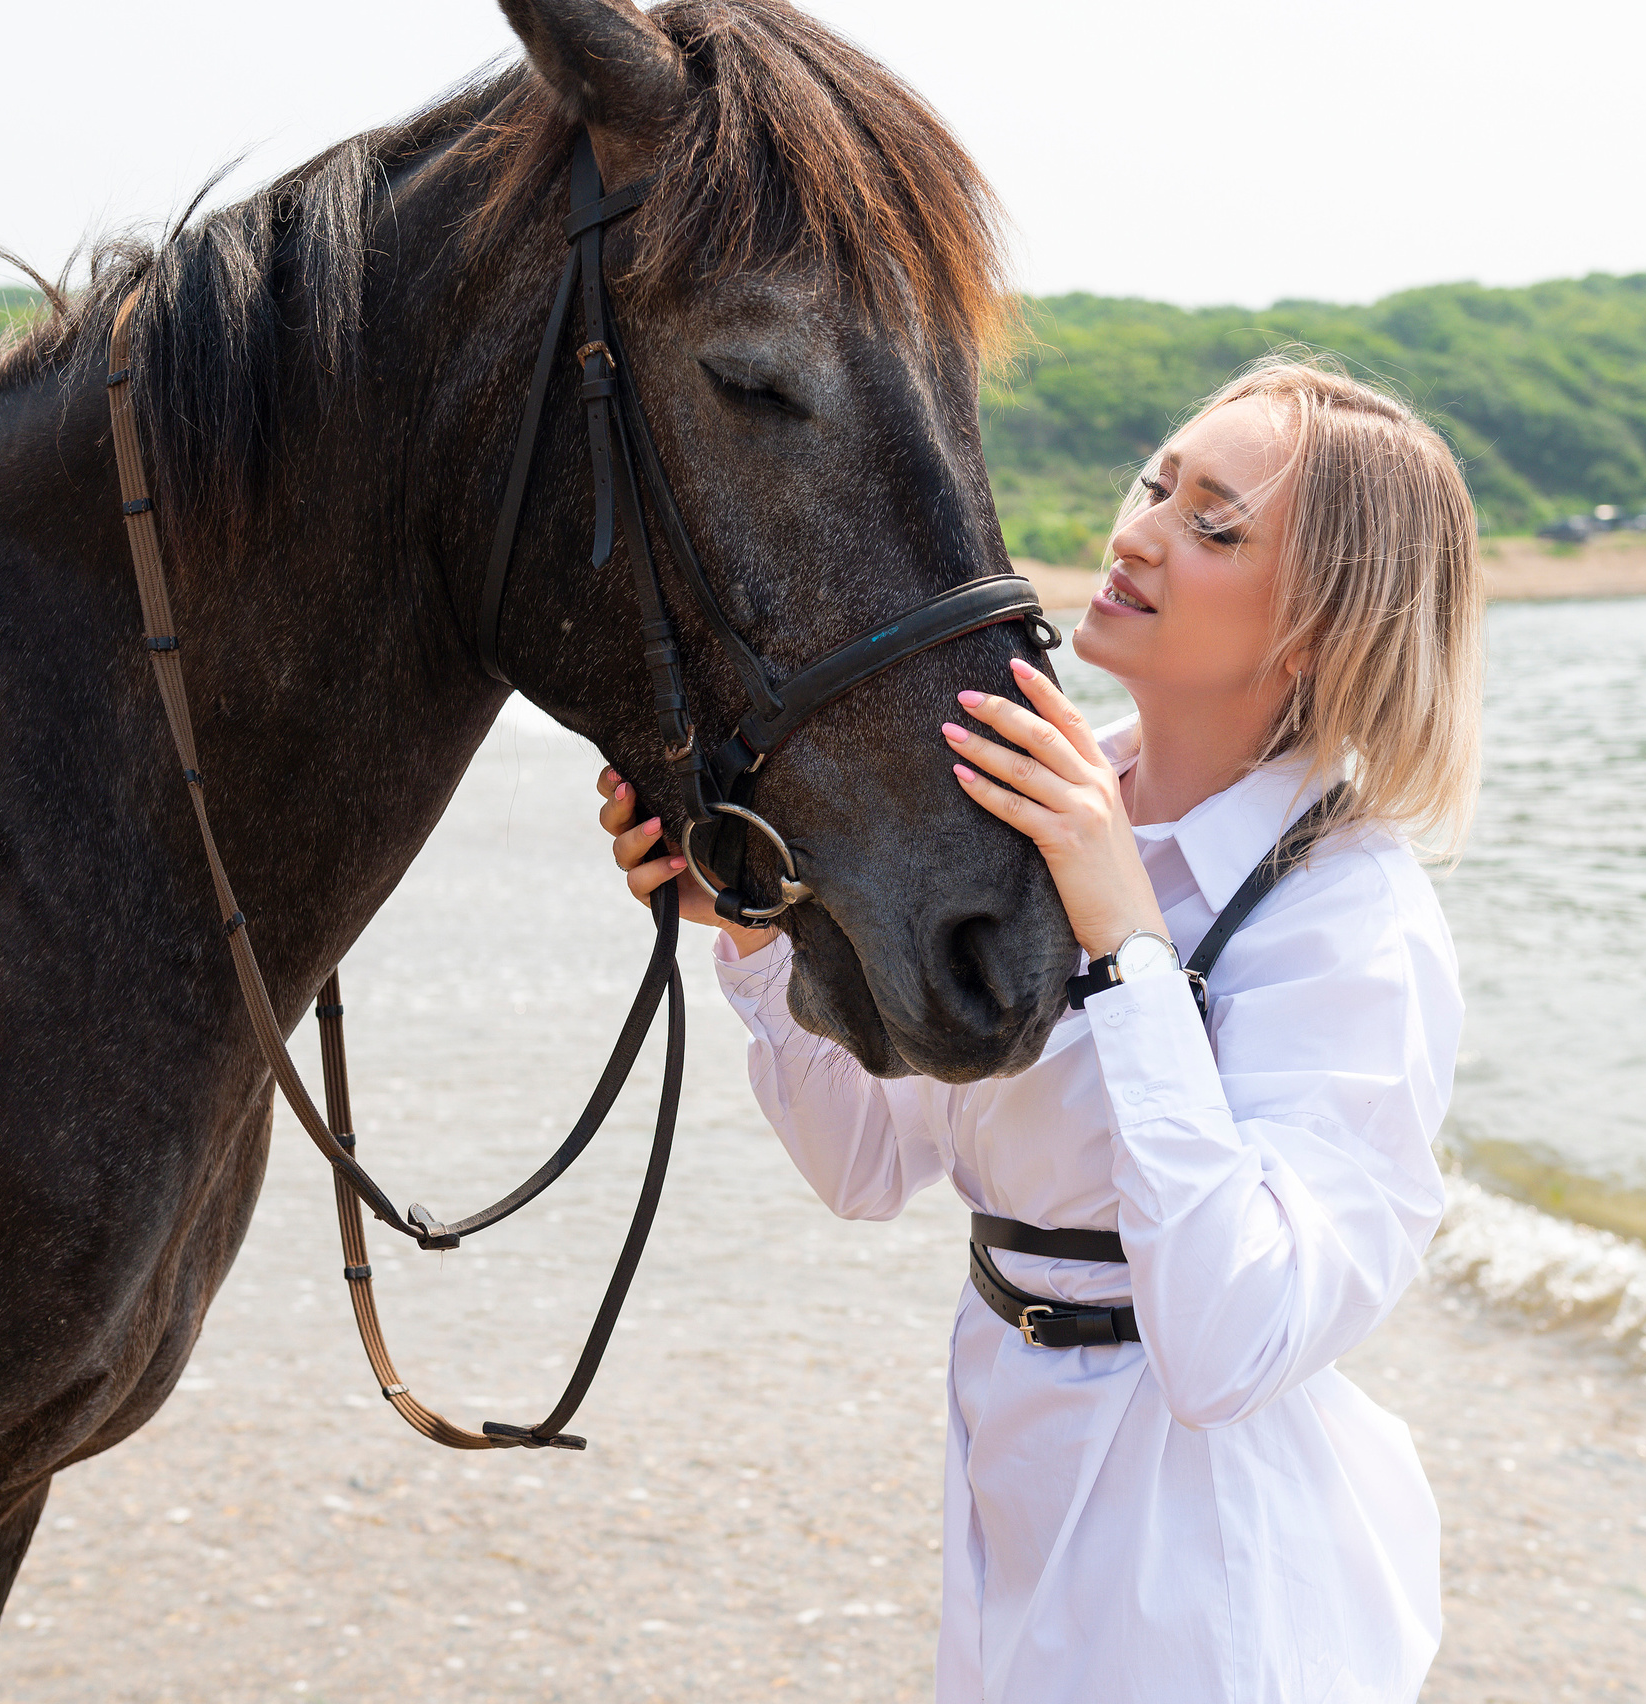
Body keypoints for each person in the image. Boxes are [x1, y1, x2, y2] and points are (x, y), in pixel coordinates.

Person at [596, 355, 1482, 1703]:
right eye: (1157, 485)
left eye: (1215, 526)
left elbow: (1234, 1340)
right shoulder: (1026, 802)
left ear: (1322, 627)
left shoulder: (1349, 919)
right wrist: (757, 930)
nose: (1140, 533)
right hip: (1008, 1458)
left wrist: (1125, 937)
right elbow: (866, 1163)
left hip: (1208, 1554)